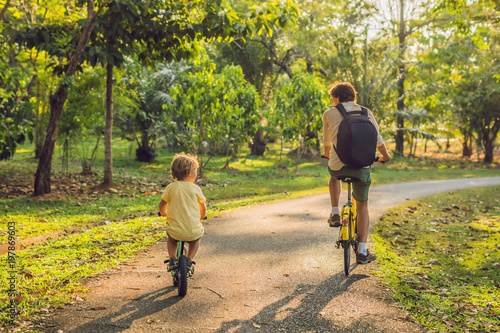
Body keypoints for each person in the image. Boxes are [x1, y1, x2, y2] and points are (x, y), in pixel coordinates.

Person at [322, 82, 391, 264]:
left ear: (336, 98)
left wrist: (328, 154)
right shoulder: (366, 112)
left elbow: (327, 141)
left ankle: (335, 211)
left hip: (339, 166)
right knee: (362, 206)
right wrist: (385, 156)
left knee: (333, 174)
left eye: (333, 98)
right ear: (354, 97)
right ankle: (362, 250)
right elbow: (378, 139)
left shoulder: (329, 113)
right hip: (362, 167)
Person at [159, 153, 207, 272]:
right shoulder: (195, 188)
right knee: (196, 239)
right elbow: (202, 205)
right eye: (195, 170)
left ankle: (172, 259)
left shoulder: (171, 187)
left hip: (175, 230)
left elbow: (162, 204)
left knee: (171, 238)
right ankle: (189, 260)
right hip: (192, 230)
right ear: (190, 172)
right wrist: (203, 216)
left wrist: (163, 213)